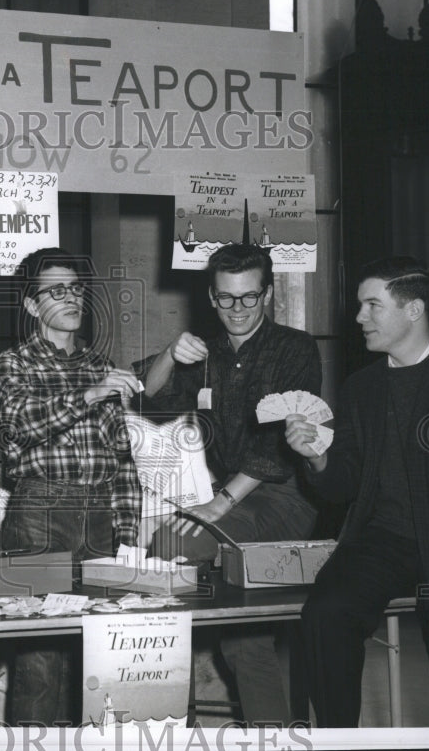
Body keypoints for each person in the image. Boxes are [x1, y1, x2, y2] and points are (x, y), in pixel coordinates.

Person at [285, 256, 429, 727]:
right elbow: (344, 484)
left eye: (372, 305)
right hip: (384, 541)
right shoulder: (361, 388)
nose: (358, 318)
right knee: (325, 616)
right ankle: (338, 738)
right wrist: (317, 457)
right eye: (360, 306)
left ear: (413, 310)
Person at [136, 243, 322, 727]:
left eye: (248, 297)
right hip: (233, 504)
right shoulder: (204, 351)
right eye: (225, 299)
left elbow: (275, 453)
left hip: (282, 497)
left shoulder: (295, 348)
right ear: (211, 297)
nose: (237, 310)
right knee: (244, 641)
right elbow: (150, 403)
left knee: (173, 542)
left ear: (268, 293)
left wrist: (216, 506)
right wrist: (169, 355)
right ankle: (184, 724)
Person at [0, 247, 143, 725]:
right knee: (39, 663)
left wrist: (130, 536)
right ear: (33, 306)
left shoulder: (101, 364)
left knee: (100, 660)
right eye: (56, 291)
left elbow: (122, 459)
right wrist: (92, 393)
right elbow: (21, 421)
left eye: (75, 289)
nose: (71, 298)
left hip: (99, 517)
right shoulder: (10, 365)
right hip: (39, 515)